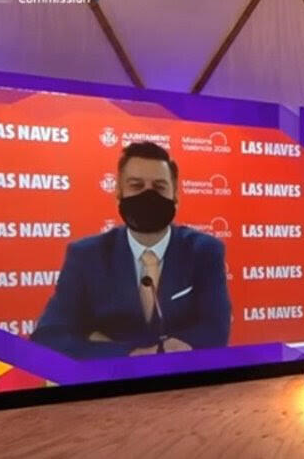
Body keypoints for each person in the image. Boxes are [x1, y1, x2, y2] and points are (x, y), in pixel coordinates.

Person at [32, 142, 231, 359]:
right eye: (136, 186)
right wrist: (128, 352)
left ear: (175, 194)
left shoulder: (204, 251)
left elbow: (215, 332)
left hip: (182, 378)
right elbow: (49, 337)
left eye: (159, 187)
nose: (148, 196)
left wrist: (96, 339)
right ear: (119, 192)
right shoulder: (86, 256)